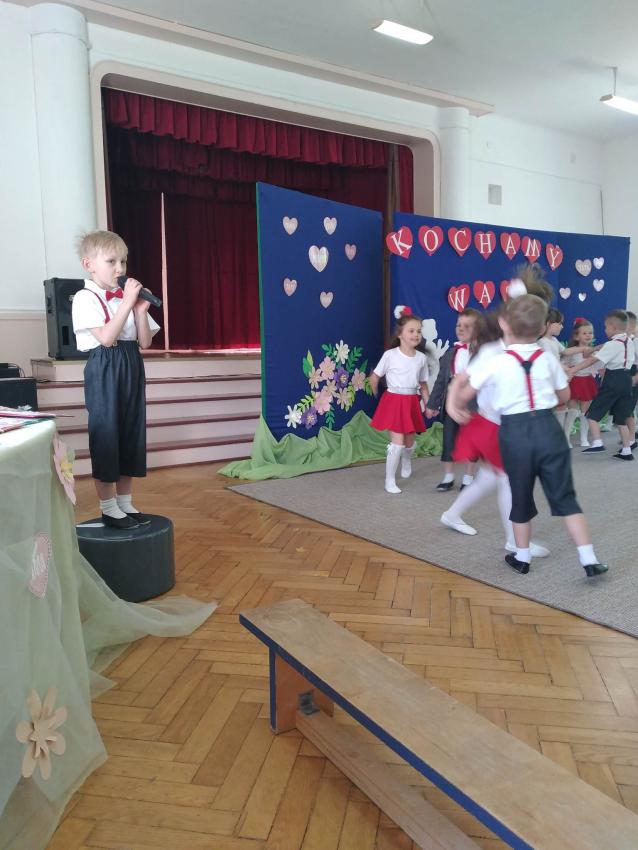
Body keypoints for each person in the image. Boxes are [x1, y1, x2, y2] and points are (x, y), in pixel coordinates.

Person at [451, 294, 607, 578]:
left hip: (515, 433)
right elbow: (564, 396)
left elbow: (466, 392)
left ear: (503, 324)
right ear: (543, 328)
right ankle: (589, 559)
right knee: (565, 496)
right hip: (549, 430)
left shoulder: (496, 361)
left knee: (519, 496)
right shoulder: (547, 357)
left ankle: (521, 557)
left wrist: (458, 402)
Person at [443, 308, 549, 559]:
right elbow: (462, 379)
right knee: (507, 480)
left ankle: (452, 514)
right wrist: (452, 404)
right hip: (491, 426)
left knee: (490, 478)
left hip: (507, 426)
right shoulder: (492, 351)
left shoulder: (530, 350)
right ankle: (514, 541)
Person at [72, 230, 160, 528]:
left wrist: (140, 310)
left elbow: (144, 342)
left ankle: (125, 502)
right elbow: (107, 339)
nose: (120, 269)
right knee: (107, 434)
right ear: (89, 264)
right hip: (104, 366)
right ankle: (108, 507)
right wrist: (125, 304)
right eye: (111, 261)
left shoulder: (128, 299)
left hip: (131, 363)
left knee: (130, 432)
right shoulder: (85, 298)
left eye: (123, 261)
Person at [369, 307, 429, 494]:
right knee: (397, 443)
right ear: (400, 334)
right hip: (394, 401)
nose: (416, 334)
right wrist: (376, 393)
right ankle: (389, 480)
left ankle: (407, 458)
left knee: (409, 443)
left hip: (411, 402)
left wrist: (428, 404)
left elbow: (423, 384)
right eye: (411, 331)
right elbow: (375, 376)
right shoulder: (390, 355)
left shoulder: (421, 358)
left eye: (419, 331)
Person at [568, 309, 635, 460]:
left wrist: (573, 369)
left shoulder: (612, 345)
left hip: (613, 380)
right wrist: (595, 348)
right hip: (626, 380)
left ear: (614, 328)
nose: (604, 330)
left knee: (591, 414)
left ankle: (597, 442)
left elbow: (593, 360)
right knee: (621, 420)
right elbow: (606, 345)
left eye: (606, 327)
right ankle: (626, 451)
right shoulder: (628, 341)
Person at [426, 308, 480, 492]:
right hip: (451, 403)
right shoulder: (450, 353)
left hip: (473, 403)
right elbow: (441, 381)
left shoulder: (482, 354)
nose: (461, 329)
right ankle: (448, 476)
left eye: (467, 326)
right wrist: (432, 404)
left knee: (472, 441)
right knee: (448, 439)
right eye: (459, 325)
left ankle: (468, 477)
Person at [562, 318, 600, 446]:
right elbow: (564, 364)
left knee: (585, 412)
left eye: (590, 333)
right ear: (576, 336)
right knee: (572, 411)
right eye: (584, 333)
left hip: (587, 382)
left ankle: (584, 438)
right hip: (574, 382)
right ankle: (566, 438)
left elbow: (599, 366)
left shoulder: (594, 351)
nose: (588, 335)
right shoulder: (572, 351)